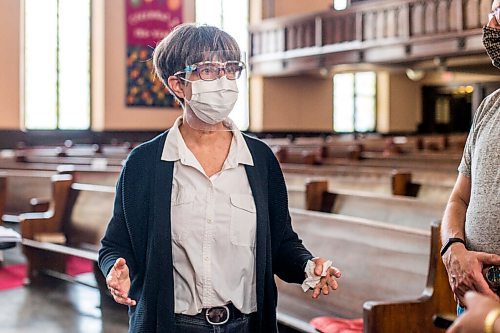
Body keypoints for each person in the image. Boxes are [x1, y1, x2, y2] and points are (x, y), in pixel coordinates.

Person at [98, 23, 341, 333]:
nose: (224, 80)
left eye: (231, 69)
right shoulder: (144, 163)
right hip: (172, 325)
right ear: (178, 85)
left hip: (246, 325)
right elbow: (114, 246)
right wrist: (115, 271)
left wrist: (308, 265)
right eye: (208, 70)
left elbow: (280, 244)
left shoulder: (260, 160)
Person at [440, 0, 500, 315]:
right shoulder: (489, 107)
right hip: (474, 291)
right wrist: (453, 249)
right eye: (492, 11)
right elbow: (458, 199)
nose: (492, 24)